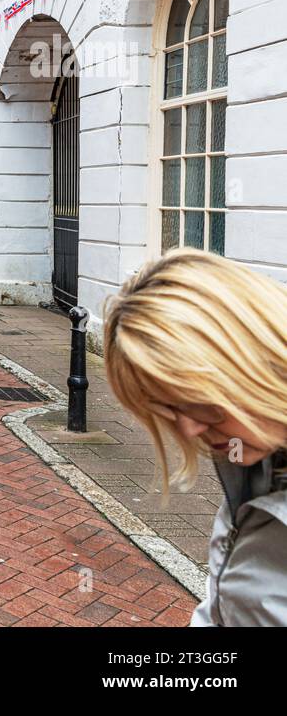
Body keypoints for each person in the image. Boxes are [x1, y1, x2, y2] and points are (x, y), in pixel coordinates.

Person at [104, 249, 287, 626]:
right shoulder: (255, 463)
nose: (188, 430)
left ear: (258, 357)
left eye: (200, 401)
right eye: (169, 410)